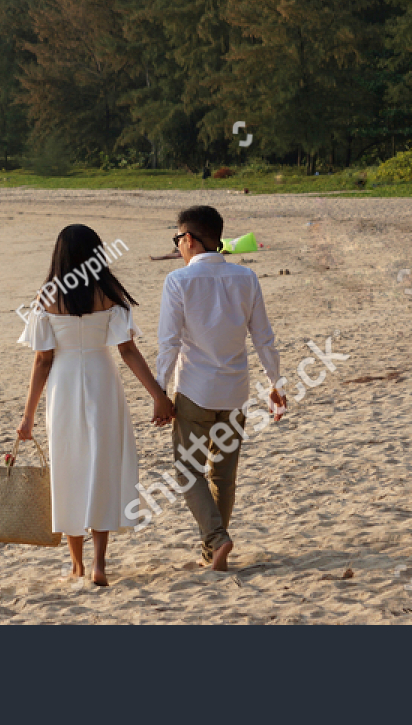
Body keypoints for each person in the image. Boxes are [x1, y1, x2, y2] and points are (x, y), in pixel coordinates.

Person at [16, 224, 171, 587]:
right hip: (103, 382)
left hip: (65, 386)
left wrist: (27, 417)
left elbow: (42, 360)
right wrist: (158, 395)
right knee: (101, 465)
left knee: (69, 466)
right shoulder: (110, 292)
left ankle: (77, 566)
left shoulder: (48, 297)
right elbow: (128, 350)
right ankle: (100, 563)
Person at [157, 205, 285, 573]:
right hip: (235, 392)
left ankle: (216, 539)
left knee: (186, 469)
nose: (178, 246)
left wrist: (160, 393)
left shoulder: (178, 281)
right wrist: (276, 382)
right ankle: (211, 547)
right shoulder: (246, 277)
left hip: (195, 389)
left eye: (178, 239)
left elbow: (169, 345)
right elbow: (264, 337)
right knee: (223, 475)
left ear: (190, 239)